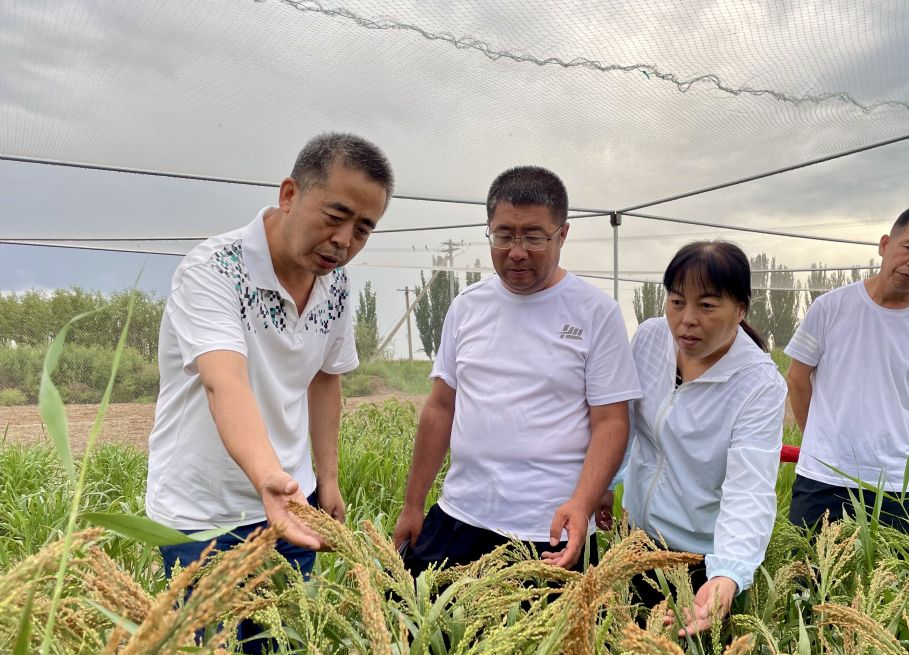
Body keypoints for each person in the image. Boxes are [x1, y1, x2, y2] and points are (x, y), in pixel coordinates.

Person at [146, 131, 393, 578]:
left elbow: (324, 377)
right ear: (289, 194)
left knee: (286, 648)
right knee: (205, 649)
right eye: (335, 216)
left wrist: (328, 479)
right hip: (203, 515)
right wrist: (266, 478)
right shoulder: (214, 271)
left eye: (363, 229)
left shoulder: (335, 284)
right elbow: (226, 381)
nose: (343, 241)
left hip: (294, 503)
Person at [392, 166, 641, 574]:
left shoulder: (596, 312)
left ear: (562, 235)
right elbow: (440, 408)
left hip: (551, 529)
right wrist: (413, 504)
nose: (517, 251)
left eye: (534, 236)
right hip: (461, 515)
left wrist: (582, 502)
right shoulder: (466, 307)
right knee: (420, 630)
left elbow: (612, 421)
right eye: (504, 235)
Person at [609, 241, 786, 636]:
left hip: (699, 560)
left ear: (740, 310)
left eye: (707, 306)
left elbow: (750, 488)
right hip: (634, 539)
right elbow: (624, 421)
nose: (686, 320)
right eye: (676, 302)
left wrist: (729, 572)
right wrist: (607, 482)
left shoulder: (758, 384)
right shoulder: (651, 339)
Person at [785, 206, 909, 535]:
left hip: (898, 481)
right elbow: (797, 377)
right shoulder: (831, 307)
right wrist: (816, 440)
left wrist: (892, 434)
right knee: (807, 581)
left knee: (894, 582)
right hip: (823, 475)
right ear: (884, 245)